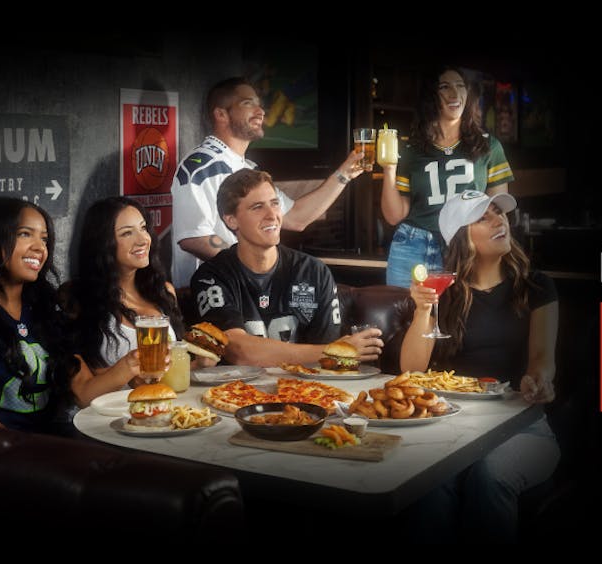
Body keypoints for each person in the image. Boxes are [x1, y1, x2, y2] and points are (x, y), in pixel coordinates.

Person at [400, 190, 559, 542]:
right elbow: (411, 370)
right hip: (454, 428)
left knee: (490, 475)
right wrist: (424, 310)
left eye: (498, 213)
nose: (498, 220)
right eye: (483, 217)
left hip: (524, 428)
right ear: (461, 237)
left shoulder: (536, 286)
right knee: (427, 484)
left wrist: (540, 381)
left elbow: (541, 362)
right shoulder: (442, 292)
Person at [0, 198, 144, 434]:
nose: (40, 247)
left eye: (44, 239)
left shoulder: (47, 313)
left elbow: (84, 392)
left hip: (54, 448)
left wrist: (131, 364)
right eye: (25, 234)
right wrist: (26, 450)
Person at [171, 77, 366, 288]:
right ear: (221, 114)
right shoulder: (200, 167)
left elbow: (298, 217)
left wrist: (344, 173)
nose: (261, 111)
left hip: (250, 290)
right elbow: (194, 238)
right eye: (248, 103)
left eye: (259, 104)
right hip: (209, 295)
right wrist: (253, 267)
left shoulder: (249, 170)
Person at [190, 169, 383, 367]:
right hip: (236, 393)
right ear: (231, 220)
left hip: (305, 390)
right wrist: (333, 353)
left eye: (275, 203)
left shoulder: (313, 271)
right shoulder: (211, 276)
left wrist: (330, 353)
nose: (272, 215)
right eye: (257, 207)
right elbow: (238, 350)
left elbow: (327, 358)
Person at [380, 66, 515, 287]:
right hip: (413, 244)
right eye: (445, 87)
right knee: (405, 317)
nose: (455, 93)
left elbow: (498, 210)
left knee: (458, 318)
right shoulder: (412, 150)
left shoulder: (489, 146)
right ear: (430, 96)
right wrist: (388, 169)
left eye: (460, 86)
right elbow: (395, 216)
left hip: (465, 246)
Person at [70, 196, 195, 376]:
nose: (143, 239)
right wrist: (130, 374)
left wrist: (199, 364)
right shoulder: (79, 298)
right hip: (111, 404)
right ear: (103, 243)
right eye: (127, 233)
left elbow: (168, 375)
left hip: (162, 403)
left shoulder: (164, 291)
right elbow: (85, 388)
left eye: (143, 228)